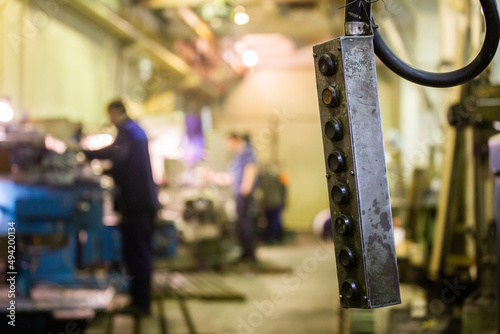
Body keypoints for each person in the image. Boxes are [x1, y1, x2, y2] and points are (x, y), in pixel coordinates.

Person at [84, 100, 159, 315]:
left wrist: (89, 154)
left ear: (115, 113)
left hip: (137, 205)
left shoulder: (129, 132)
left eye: (110, 116)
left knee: (137, 253)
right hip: (139, 203)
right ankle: (138, 299)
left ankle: (141, 303)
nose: (110, 121)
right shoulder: (134, 131)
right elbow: (123, 162)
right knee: (136, 252)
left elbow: (117, 154)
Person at [226, 133, 259, 263]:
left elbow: (251, 168)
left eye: (228, 143)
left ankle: (250, 254)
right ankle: (245, 252)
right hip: (240, 192)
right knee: (241, 223)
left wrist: (246, 188)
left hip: (244, 193)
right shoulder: (238, 155)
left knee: (244, 223)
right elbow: (233, 176)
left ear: (234, 140)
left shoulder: (246, 151)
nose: (227, 146)